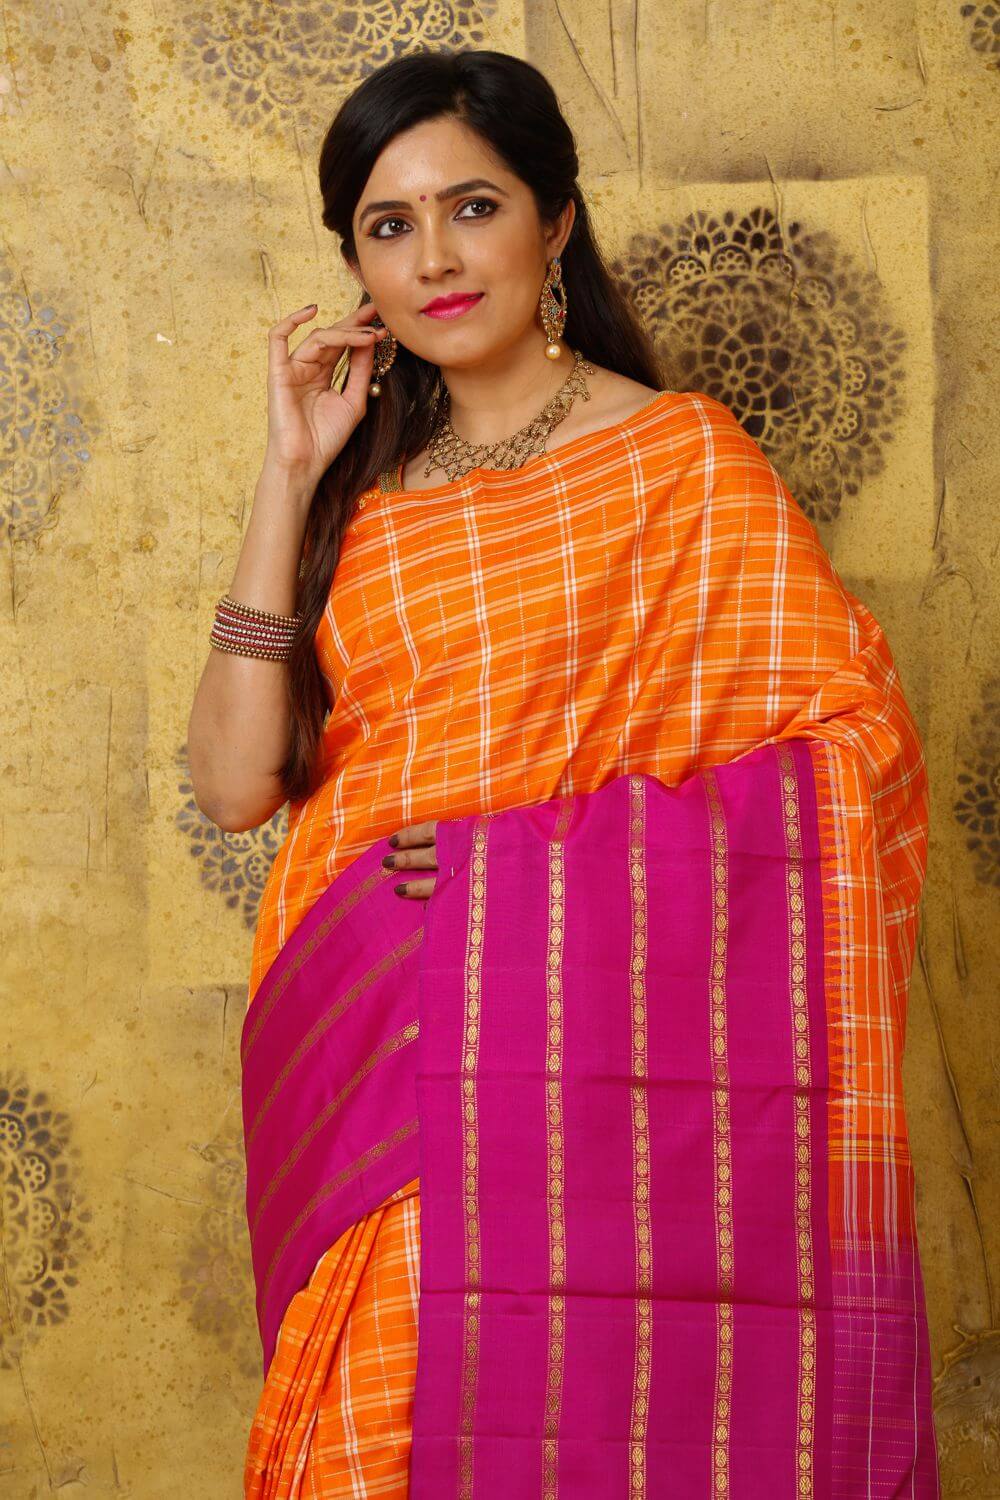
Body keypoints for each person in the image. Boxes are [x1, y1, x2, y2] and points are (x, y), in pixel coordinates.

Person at [186, 47, 940, 1500]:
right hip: (374, 1040)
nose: (435, 258)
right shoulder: (355, 497)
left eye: (472, 207)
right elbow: (234, 788)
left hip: (586, 1045)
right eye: (389, 226)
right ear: (357, 267)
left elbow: (854, 760)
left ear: (558, 222)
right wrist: (288, 474)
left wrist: (519, 880)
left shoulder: (682, 462)